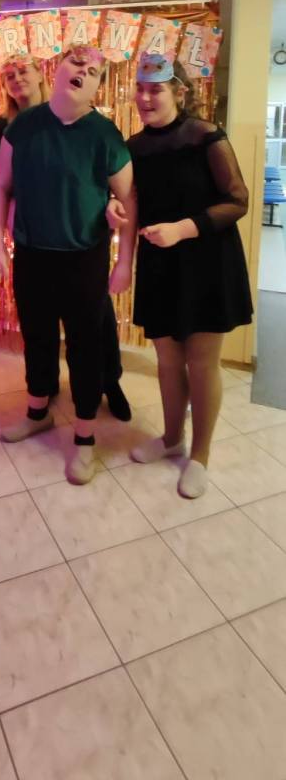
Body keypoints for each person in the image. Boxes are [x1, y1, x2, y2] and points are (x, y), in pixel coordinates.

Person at [108, 52, 252, 499]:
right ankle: (172, 439)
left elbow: (238, 200)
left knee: (202, 363)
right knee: (168, 362)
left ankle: (200, 456)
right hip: (160, 264)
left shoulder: (205, 136)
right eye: (140, 89)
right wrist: (114, 211)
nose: (145, 98)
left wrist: (182, 229)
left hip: (208, 261)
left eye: (156, 89)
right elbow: (129, 202)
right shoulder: (133, 147)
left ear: (179, 92)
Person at [0, 45, 137, 485]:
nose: (83, 72)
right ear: (55, 69)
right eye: (77, 63)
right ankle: (38, 411)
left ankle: (85, 436)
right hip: (32, 254)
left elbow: (129, 200)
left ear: (97, 87)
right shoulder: (23, 127)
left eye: (93, 72)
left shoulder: (104, 134)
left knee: (84, 346)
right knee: (36, 337)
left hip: (83, 257)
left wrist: (124, 262)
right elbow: (0, 186)